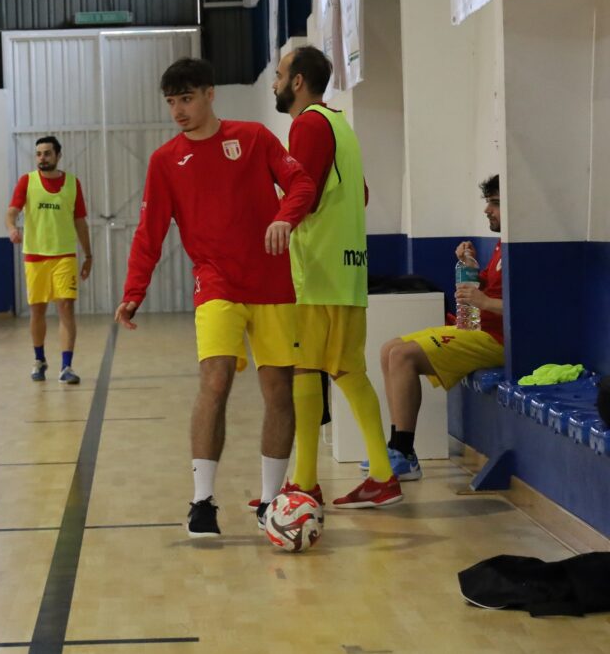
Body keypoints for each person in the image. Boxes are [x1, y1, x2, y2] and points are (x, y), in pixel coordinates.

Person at [114, 57, 318, 537]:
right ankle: (202, 501)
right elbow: (150, 232)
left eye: (186, 99)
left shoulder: (253, 138)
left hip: (272, 283)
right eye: (171, 102)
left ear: (209, 94)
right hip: (216, 283)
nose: (178, 111)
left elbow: (302, 183)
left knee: (277, 392)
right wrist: (133, 291)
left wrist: (284, 218)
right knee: (215, 379)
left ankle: (270, 503)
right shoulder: (166, 161)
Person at [267, 46, 402, 509]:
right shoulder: (340, 125)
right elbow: (358, 195)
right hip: (348, 269)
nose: (275, 83)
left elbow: (302, 192)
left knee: (304, 369)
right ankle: (383, 475)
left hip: (317, 272)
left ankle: (304, 482)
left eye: (280, 74)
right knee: (347, 369)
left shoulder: (306, 125)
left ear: (298, 81)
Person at [374, 175, 504, 478]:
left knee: (403, 356)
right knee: (389, 349)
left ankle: (405, 454)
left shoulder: (527, 252)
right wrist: (472, 270)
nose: (487, 210)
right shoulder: (502, 246)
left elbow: (530, 310)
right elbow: (490, 291)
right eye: (488, 202)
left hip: (499, 339)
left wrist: (483, 301)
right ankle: (397, 447)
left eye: (495, 203)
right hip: (476, 328)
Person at [6, 136, 93, 384]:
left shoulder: (73, 184)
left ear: (58, 155)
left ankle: (66, 366)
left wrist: (88, 255)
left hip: (64, 255)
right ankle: (39, 359)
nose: (42, 158)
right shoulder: (27, 182)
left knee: (65, 306)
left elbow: (80, 223)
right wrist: (12, 227)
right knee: (38, 310)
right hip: (35, 256)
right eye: (38, 154)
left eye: (47, 153)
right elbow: (12, 211)